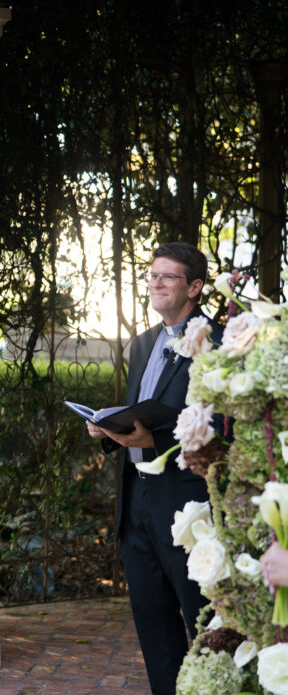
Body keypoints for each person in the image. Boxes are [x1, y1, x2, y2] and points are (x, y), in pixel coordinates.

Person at [88, 242, 223, 695]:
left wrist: (157, 440)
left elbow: (224, 423)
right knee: (153, 625)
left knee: (201, 622)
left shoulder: (218, 342)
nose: (156, 283)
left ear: (195, 287)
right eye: (152, 276)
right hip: (137, 504)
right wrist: (110, 429)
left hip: (188, 504)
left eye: (168, 277)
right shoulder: (143, 343)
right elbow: (140, 412)